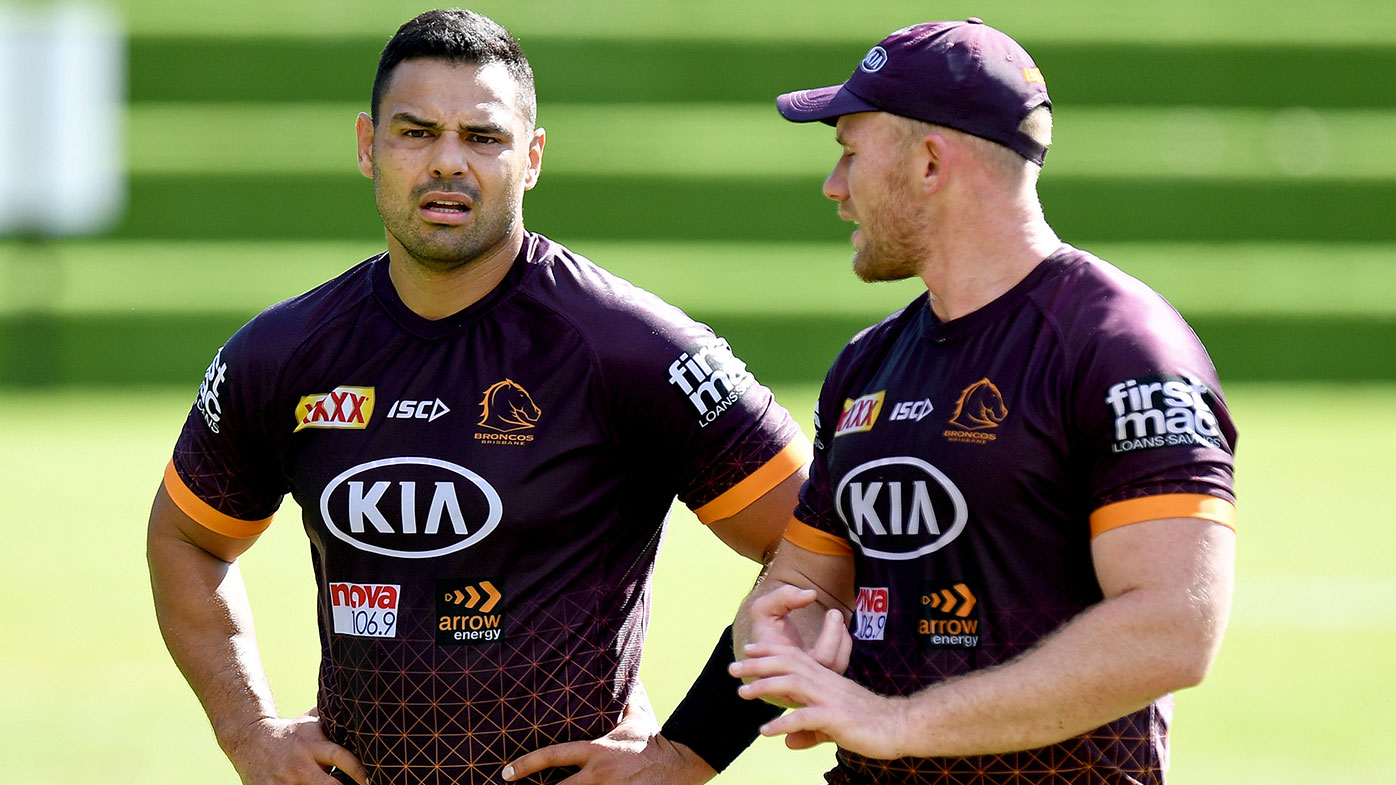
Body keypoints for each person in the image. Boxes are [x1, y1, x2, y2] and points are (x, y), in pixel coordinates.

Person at [146, 9, 805, 785]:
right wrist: (248, 727)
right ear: (368, 146)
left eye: (483, 137)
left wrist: (688, 751)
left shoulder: (628, 347)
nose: (447, 163)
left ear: (531, 157)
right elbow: (186, 540)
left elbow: (819, 546)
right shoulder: (283, 353)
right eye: (416, 132)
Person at [726, 19, 1238, 785]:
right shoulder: (866, 364)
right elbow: (802, 583)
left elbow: (1174, 628)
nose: (834, 186)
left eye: (849, 153)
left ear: (930, 162)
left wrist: (898, 722)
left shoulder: (1123, 347)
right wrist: (777, 637)